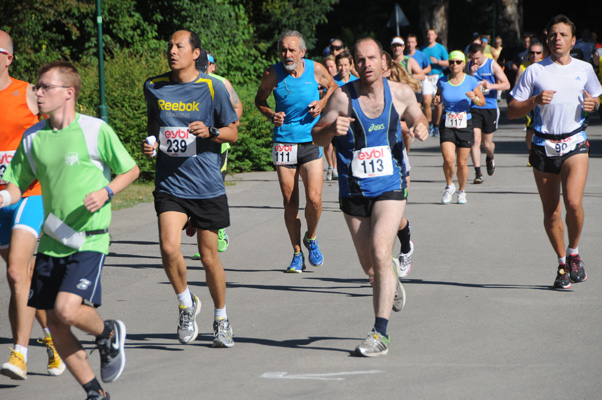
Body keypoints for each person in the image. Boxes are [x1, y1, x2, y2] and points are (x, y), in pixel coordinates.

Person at [1, 60, 138, 399]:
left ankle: (106, 332)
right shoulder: (34, 137)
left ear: (68, 93)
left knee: (64, 310)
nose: (38, 92)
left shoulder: (94, 130)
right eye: (37, 85)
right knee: (57, 325)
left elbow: (130, 170)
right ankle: (94, 392)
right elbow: (17, 183)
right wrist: (4, 195)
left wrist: (106, 192)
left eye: (45, 86)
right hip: (52, 240)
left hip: (89, 239)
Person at [312, 37, 428, 357]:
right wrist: (331, 130)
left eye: (372, 58)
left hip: (390, 184)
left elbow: (418, 116)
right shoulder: (341, 98)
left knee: (380, 249)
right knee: (372, 268)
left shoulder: (401, 93)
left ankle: (380, 333)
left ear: (384, 63)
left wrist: (420, 126)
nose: (366, 64)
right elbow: (316, 135)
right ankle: (387, 278)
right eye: (360, 59)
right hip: (353, 188)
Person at [142, 30, 239, 346]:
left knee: (209, 257)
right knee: (169, 247)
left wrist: (210, 132)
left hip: (207, 185)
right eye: (169, 45)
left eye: (179, 46)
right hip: (170, 183)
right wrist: (152, 142)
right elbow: (154, 122)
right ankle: (186, 303)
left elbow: (232, 132)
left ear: (195, 53)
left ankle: (221, 318)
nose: (171, 50)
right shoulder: (154, 86)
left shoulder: (213, 87)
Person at [508, 15, 601, 289]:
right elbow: (513, 110)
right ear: (547, 40)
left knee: (572, 203)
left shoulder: (584, 69)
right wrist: (534, 100)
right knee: (551, 212)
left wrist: (593, 104)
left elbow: (596, 96)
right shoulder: (534, 71)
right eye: (553, 34)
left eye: (563, 34)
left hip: (575, 142)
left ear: (573, 41)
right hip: (543, 145)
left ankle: (574, 252)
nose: (557, 38)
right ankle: (562, 263)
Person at [0, 30, 66, 380]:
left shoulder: (27, 92)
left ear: (7, 58)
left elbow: (58, 129)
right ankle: (52, 337)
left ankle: (19, 354)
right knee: (21, 278)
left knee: (15, 271)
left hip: (30, 193)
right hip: (1, 198)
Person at [254, 30, 337, 272]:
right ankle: (297, 253)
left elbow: (332, 86)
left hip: (311, 141)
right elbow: (260, 101)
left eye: (291, 50)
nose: (286, 54)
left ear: (302, 52)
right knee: (290, 203)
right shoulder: (272, 73)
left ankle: (311, 237)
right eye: (283, 50)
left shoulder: (316, 69)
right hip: (284, 143)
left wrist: (322, 103)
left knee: (315, 199)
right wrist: (271, 114)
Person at [190, 51, 243, 258]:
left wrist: (227, 122)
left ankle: (218, 235)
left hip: (217, 147)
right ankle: (197, 227)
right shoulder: (184, 83)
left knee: (213, 190)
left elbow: (238, 107)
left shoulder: (222, 83)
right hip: (191, 147)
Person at [386, 62, 423, 277]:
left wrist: (416, 126)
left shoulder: (400, 95)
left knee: (392, 217)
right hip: (368, 167)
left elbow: (415, 120)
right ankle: (381, 265)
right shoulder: (359, 95)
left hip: (397, 162)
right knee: (374, 218)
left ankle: (404, 248)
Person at [435, 51, 484, 204]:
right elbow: (437, 98)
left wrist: (474, 98)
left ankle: (462, 190)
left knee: (462, 162)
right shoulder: (442, 81)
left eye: (457, 62)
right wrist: (436, 100)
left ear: (463, 64)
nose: (454, 65)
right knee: (448, 159)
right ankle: (449, 186)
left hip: (465, 123)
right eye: (451, 62)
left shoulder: (471, 81)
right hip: (447, 122)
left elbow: (482, 102)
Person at [466, 43, 510, 184]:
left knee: (487, 144)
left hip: (489, 107)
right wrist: (470, 73)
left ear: (483, 54)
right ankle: (478, 172)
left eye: (477, 58)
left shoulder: (492, 65)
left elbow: (506, 84)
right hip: (474, 106)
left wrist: (491, 86)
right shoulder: (468, 66)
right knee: (475, 140)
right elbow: (461, 82)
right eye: (472, 58)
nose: (475, 61)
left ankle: (490, 156)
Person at [421, 29, 449, 136]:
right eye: (428, 34)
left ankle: (437, 125)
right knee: (427, 102)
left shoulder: (440, 48)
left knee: (438, 103)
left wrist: (438, 62)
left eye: (432, 34)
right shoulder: (423, 49)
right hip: (427, 78)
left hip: (438, 77)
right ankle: (429, 124)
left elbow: (448, 62)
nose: (429, 36)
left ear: (436, 36)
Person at [322, 55, 339, 181]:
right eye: (326, 67)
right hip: (325, 115)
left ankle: (336, 168)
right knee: (328, 144)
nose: (329, 69)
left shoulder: (341, 80)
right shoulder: (321, 81)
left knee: (337, 144)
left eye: (331, 66)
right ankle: (331, 166)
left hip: (339, 116)